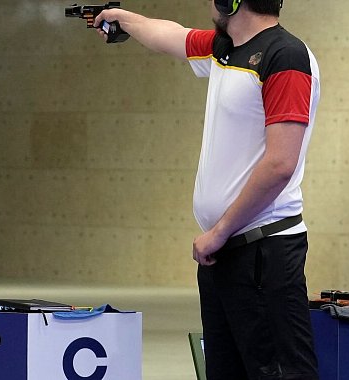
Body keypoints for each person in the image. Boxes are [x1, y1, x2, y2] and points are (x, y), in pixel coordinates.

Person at [94, 1, 320, 379]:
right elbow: (173, 37)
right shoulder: (226, 48)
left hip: (262, 253)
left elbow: (281, 164)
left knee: (280, 373)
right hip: (227, 253)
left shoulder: (285, 57)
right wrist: (125, 19)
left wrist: (218, 231)